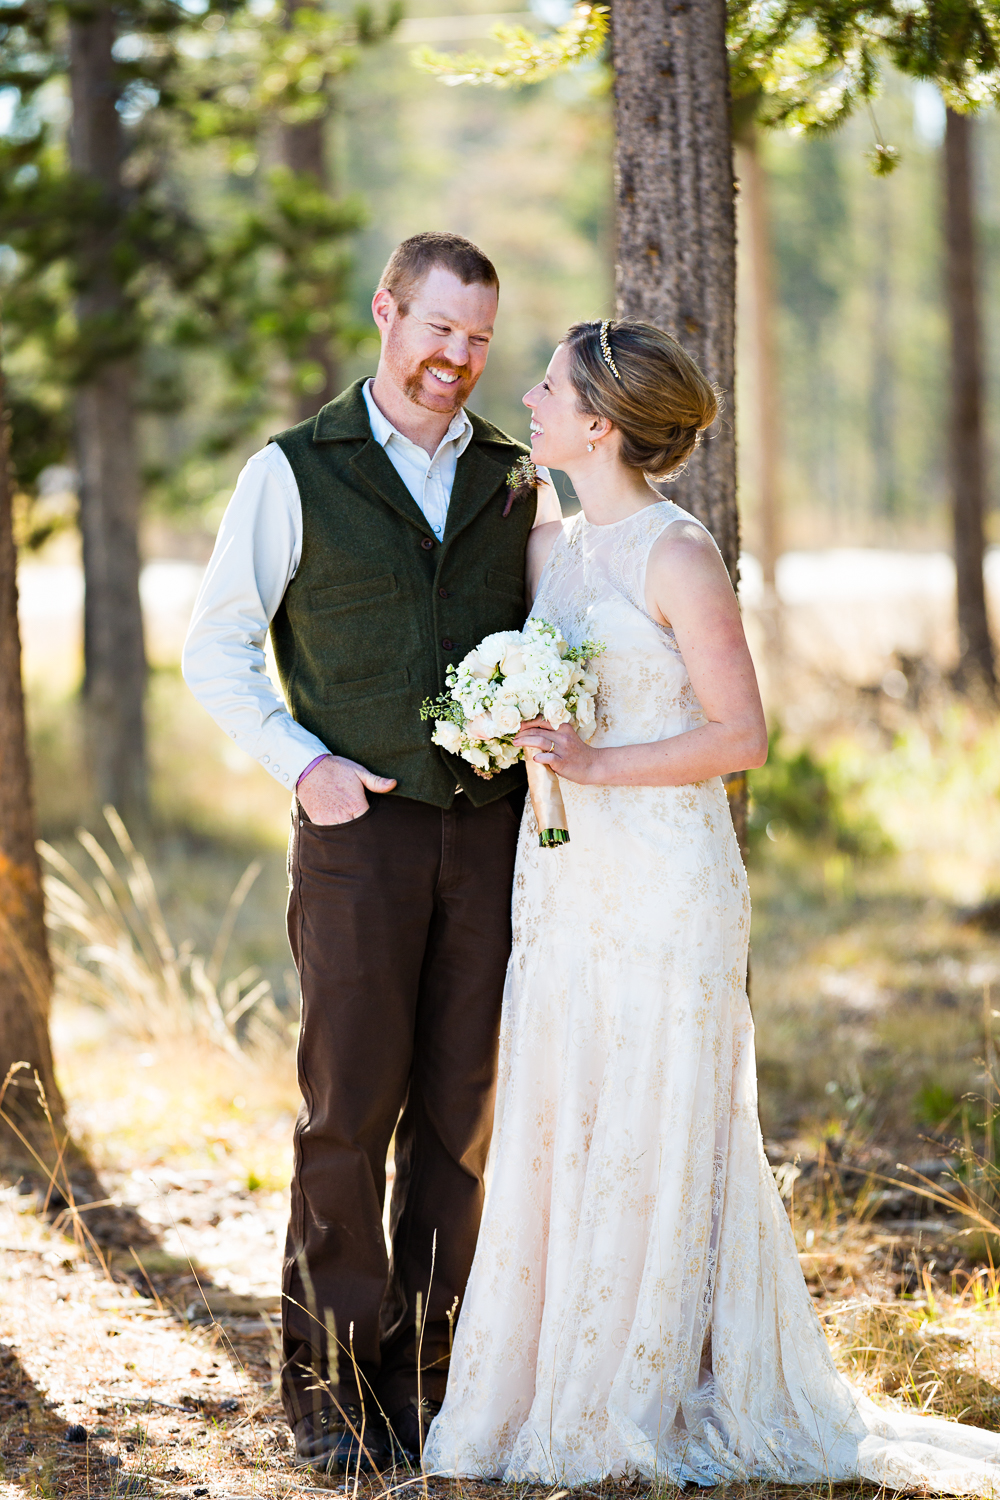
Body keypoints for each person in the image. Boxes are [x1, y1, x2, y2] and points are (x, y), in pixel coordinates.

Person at [423, 320, 1000, 1491]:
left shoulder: (677, 555)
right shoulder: (558, 547)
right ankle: (548, 1381)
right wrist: (511, 729)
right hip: (567, 877)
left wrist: (592, 763)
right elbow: (558, 690)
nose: (524, 397)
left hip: (664, 881)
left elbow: (742, 737)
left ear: (600, 424)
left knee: (656, 1109)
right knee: (568, 1102)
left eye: (547, 385)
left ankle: (645, 1391)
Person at [182, 232, 561, 1473]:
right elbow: (216, 648)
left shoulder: (517, 475)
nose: (456, 359)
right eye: (438, 329)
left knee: (458, 1125)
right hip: (356, 845)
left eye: (479, 339)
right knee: (347, 1117)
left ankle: (434, 1392)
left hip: (493, 842)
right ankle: (336, 1401)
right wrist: (306, 765)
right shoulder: (292, 471)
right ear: (387, 313)